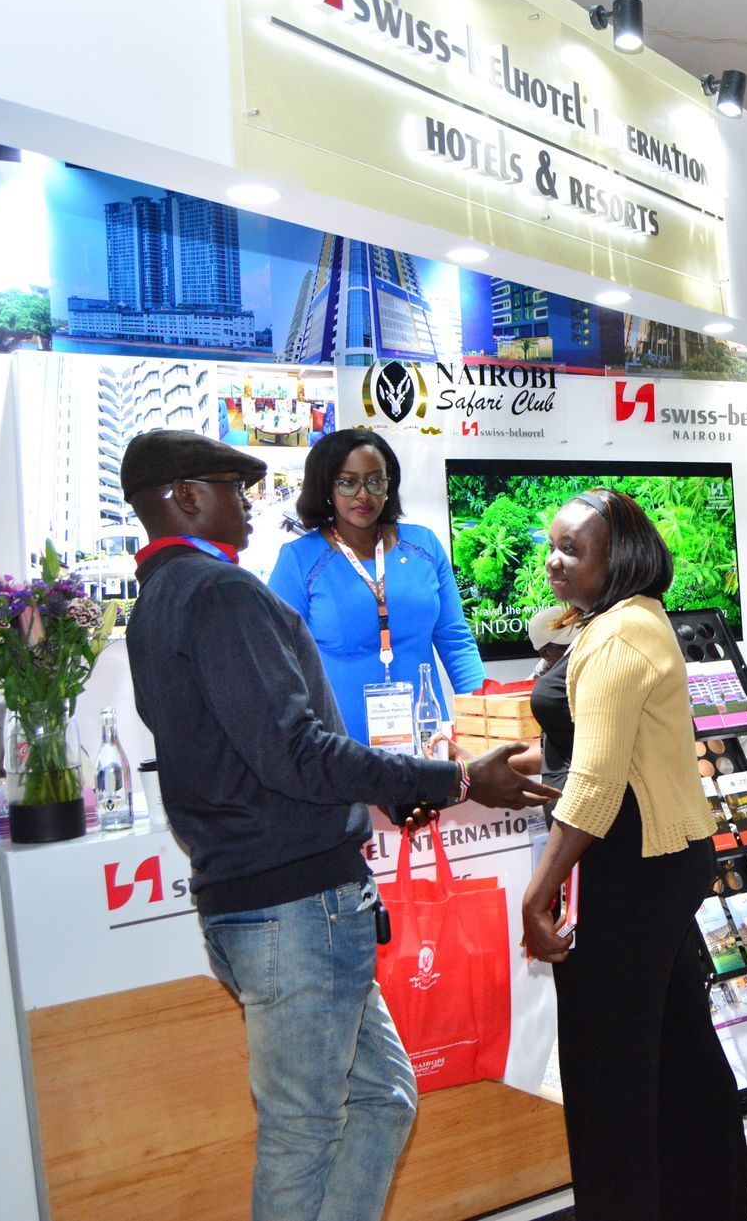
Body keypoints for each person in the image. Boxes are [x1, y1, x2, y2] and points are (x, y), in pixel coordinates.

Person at [118, 429, 553, 1221]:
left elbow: (265, 751)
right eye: (231, 485)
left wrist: (410, 779)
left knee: (385, 1097)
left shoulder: (160, 600)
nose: (248, 505)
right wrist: (457, 777)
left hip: (279, 892)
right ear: (185, 495)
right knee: (303, 1131)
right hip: (295, 906)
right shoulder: (223, 593)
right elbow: (297, 751)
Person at [514, 488, 747, 1220]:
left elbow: (595, 781)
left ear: (619, 557)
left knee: (606, 1071)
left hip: (627, 865)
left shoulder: (616, 636)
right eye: (551, 546)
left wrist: (538, 891)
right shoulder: (631, 619)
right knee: (677, 1052)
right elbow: (597, 747)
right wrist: (514, 768)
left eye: (571, 549)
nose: (554, 562)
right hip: (663, 857)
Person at [269, 430, 485, 743]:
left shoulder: (424, 545)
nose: (363, 495)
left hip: (427, 740)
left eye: (375, 480)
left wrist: (485, 718)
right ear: (327, 485)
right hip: (339, 748)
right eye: (348, 481)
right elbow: (279, 663)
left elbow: (456, 641)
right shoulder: (299, 560)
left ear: (389, 484)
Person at [527, 605, 576, 678]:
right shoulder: (536, 687)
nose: (578, 647)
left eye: (580, 639)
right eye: (568, 646)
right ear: (545, 654)